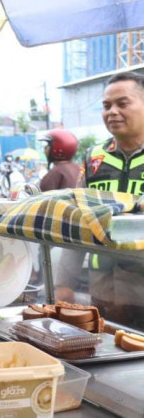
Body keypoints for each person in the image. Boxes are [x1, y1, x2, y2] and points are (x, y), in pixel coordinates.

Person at [56, 71, 144, 328]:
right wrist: (63, 284)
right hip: (103, 288)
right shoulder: (94, 159)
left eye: (122, 103)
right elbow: (78, 222)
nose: (112, 112)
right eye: (106, 106)